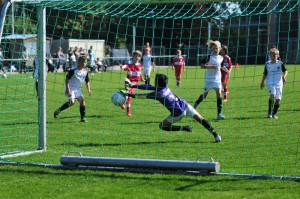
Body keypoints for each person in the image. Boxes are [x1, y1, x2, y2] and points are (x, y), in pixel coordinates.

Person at [120, 73, 221, 143]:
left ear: (158, 83)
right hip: (184, 104)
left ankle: (183, 128)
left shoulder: (158, 93)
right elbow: (148, 86)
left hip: (178, 113)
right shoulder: (164, 87)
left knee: (162, 126)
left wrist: (128, 94)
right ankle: (216, 135)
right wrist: (132, 85)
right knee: (201, 119)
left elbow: (140, 96)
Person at [193, 40, 229, 120]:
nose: (215, 50)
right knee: (205, 95)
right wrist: (210, 67)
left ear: (219, 49)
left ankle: (219, 114)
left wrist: (226, 70)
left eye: (217, 48)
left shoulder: (221, 58)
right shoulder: (209, 57)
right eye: (214, 48)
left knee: (219, 94)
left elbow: (221, 66)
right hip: (209, 79)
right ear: (211, 49)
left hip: (217, 79)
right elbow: (202, 66)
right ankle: (195, 105)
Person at [54, 56, 92, 122]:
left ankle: (82, 118)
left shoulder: (85, 72)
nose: (84, 64)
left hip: (78, 89)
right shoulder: (73, 70)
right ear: (78, 62)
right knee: (72, 102)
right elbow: (66, 80)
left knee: (82, 101)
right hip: (70, 88)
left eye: (85, 62)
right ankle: (58, 110)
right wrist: (68, 89)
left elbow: (87, 81)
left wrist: (89, 90)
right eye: (82, 62)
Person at [260, 48, 288, 119]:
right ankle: (269, 112)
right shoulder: (267, 64)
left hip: (279, 83)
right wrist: (262, 82)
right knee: (273, 94)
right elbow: (265, 74)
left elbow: (286, 71)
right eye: (271, 56)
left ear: (277, 56)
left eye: (274, 56)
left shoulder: (280, 63)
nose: (272, 57)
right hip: (270, 82)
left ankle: (274, 113)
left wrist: (284, 77)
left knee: (278, 99)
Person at [119, 50, 144, 116]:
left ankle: (124, 105)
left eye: (139, 56)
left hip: (135, 83)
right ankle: (128, 111)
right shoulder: (129, 64)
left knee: (128, 95)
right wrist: (122, 67)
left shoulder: (140, 65)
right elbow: (125, 66)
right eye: (136, 56)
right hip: (128, 81)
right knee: (128, 94)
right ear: (133, 56)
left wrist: (142, 78)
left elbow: (140, 73)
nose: (137, 57)